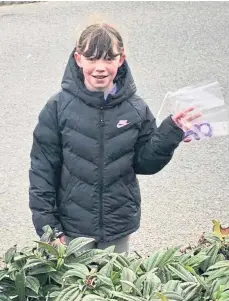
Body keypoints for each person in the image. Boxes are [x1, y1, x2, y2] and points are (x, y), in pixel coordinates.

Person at [29, 23, 200, 252]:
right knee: (76, 287)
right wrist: (49, 228)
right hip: (71, 232)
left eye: (109, 58)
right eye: (92, 58)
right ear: (78, 59)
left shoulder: (135, 108)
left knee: (117, 285)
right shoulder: (57, 108)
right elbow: (42, 171)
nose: (100, 67)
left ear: (121, 59)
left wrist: (171, 132)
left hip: (118, 226)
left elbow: (144, 163)